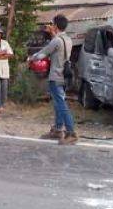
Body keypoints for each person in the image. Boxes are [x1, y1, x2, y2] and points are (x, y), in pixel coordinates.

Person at [28, 14, 78, 145]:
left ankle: (71, 133)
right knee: (58, 103)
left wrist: (31, 58)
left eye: (52, 24)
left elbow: (43, 53)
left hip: (56, 76)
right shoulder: (67, 39)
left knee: (61, 105)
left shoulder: (56, 41)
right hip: (64, 76)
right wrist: (52, 33)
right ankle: (57, 129)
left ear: (56, 25)